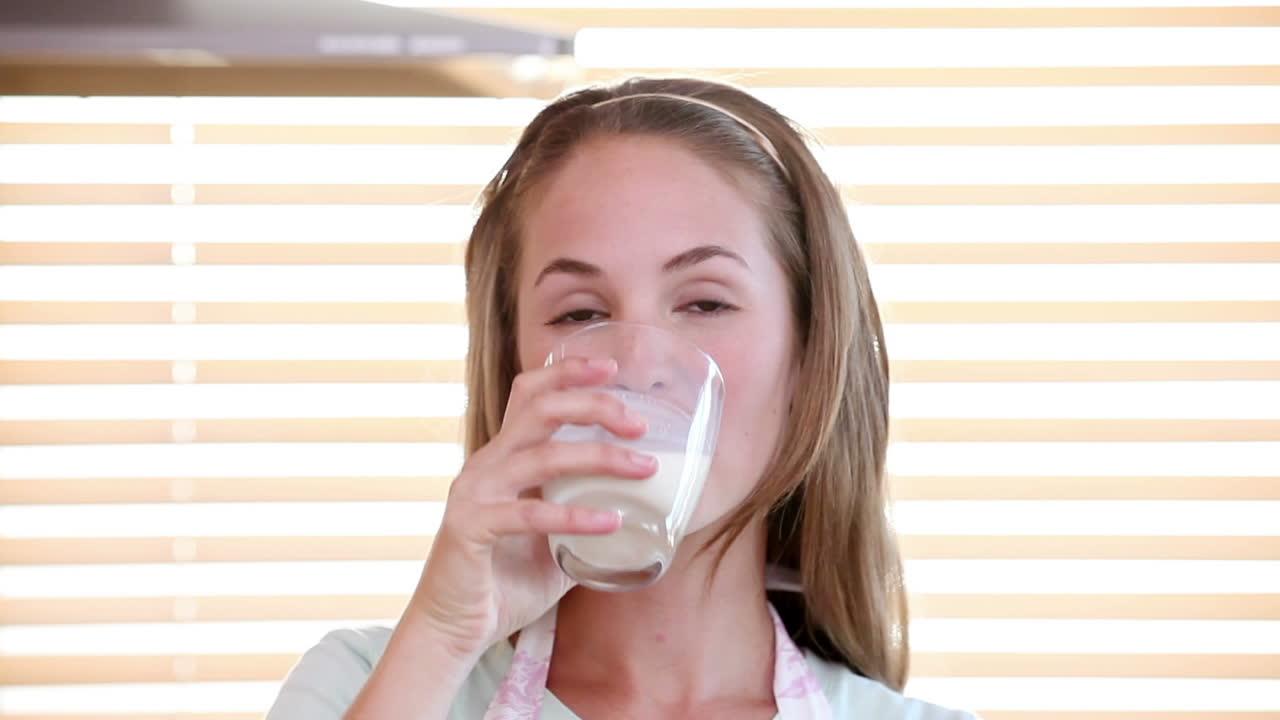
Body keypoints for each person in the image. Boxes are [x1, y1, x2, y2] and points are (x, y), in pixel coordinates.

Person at [266, 76, 978, 720]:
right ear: (516, 366)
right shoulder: (364, 685)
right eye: (580, 314)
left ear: (808, 354)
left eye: (704, 303)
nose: (637, 364)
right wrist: (445, 635)